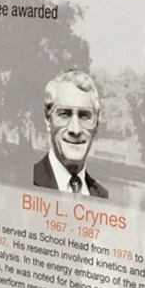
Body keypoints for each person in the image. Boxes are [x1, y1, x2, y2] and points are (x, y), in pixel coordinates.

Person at [33, 70, 108, 198]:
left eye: (84, 116)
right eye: (64, 114)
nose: (75, 130)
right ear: (48, 118)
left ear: (97, 122)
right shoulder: (23, 183)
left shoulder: (102, 197)